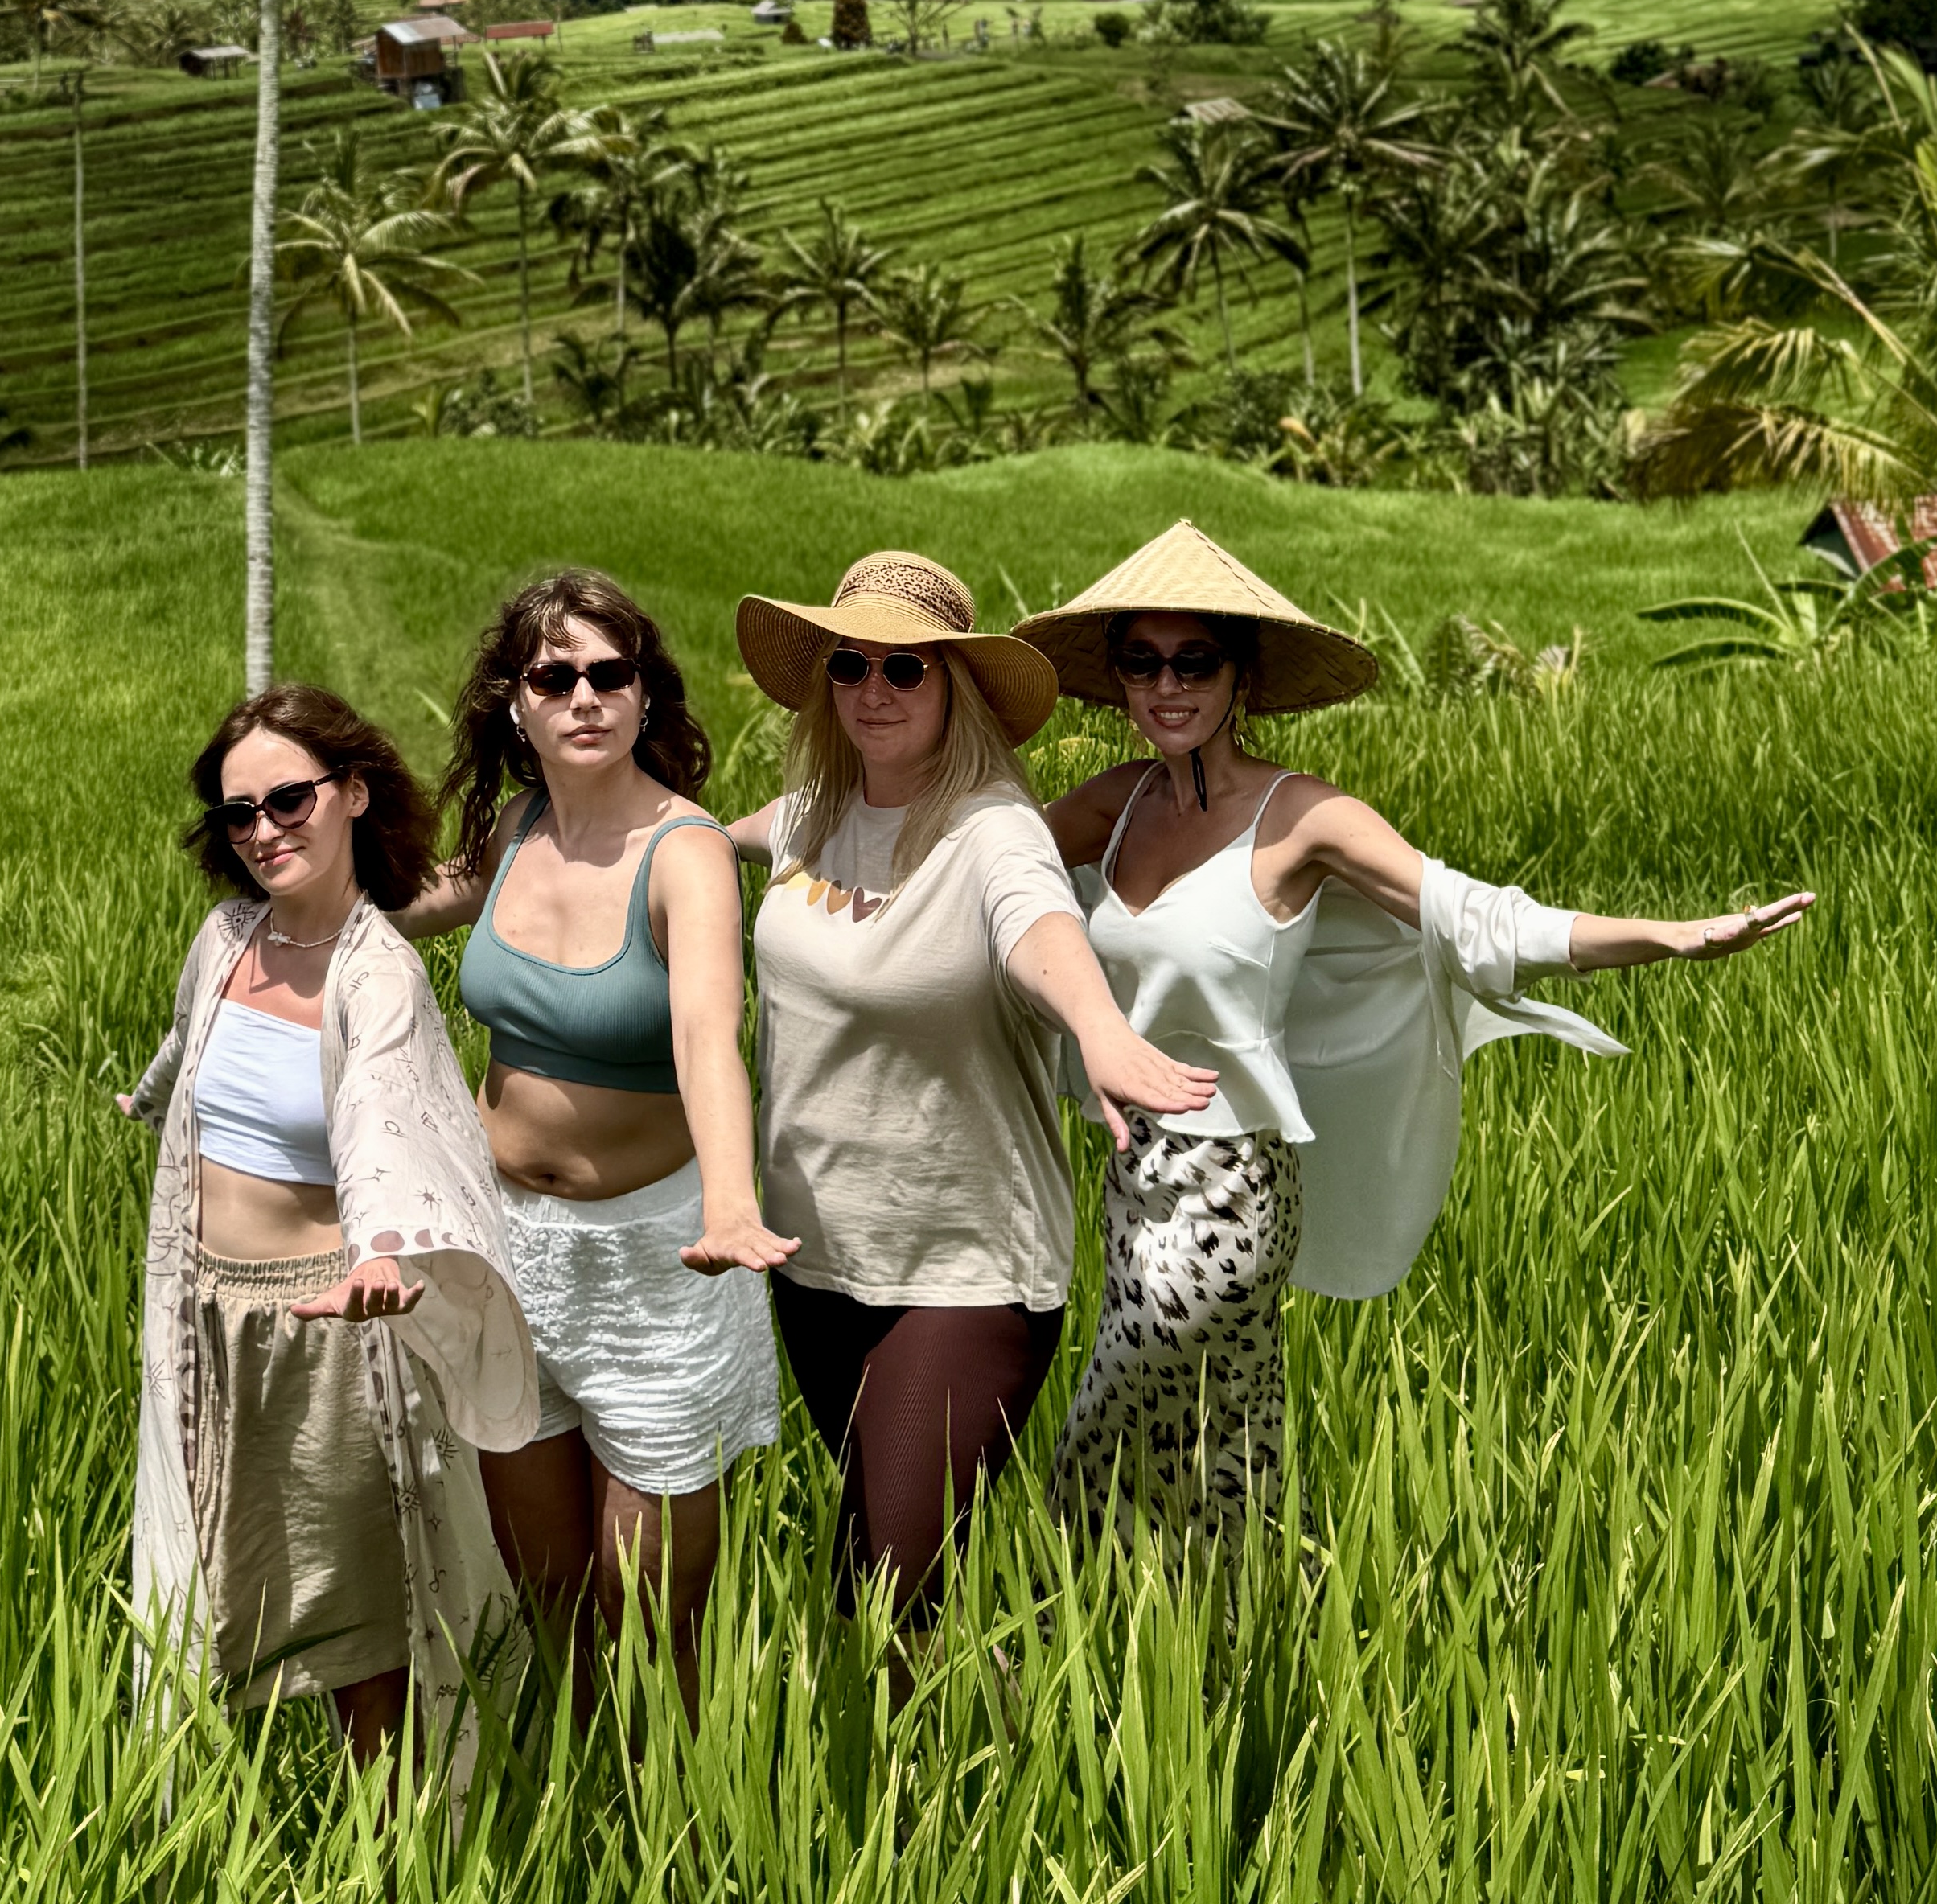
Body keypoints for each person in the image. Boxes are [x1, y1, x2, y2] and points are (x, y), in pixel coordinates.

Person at [1022, 522, 1814, 1541]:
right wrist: (809, 835)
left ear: (1241, 676)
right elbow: (989, 876)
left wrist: (1670, 936)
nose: (1166, 685)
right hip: (1133, 1182)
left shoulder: (1300, 817)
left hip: (1230, 1189)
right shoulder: (1116, 806)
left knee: (1106, 1435)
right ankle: (1238, 1645)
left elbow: (1479, 915)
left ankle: (1062, 1634)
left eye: (1194, 660)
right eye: (1141, 662)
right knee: (1226, 1443)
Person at [723, 548, 1217, 1638]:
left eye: (907, 670)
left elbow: (1040, 930)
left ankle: (900, 1797)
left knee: (886, 1592)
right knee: (884, 1556)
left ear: (957, 685)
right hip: (812, 1256)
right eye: (850, 667)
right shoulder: (811, 812)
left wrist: (1096, 1025)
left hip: (964, 1267)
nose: (873, 693)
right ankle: (972, 1750)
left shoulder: (993, 830)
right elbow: (686, 855)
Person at [119, 683, 538, 1774]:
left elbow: (389, 1124)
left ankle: (402, 1897)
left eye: (288, 801)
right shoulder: (226, 941)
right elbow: (186, 1047)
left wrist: (387, 1250)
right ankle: (236, 1858)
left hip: (327, 1333)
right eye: (238, 814)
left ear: (353, 794)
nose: (264, 831)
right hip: (204, 1322)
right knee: (211, 1587)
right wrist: (147, 1096)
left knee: (360, 1631)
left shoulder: (375, 975)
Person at [401, 569, 788, 1720]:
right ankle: (575, 1836)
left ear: (645, 694)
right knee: (554, 1601)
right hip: (509, 1251)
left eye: (608, 674)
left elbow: (711, 1038)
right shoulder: (516, 830)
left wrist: (730, 1202)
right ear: (514, 703)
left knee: (651, 1617)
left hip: (656, 1263)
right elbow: (415, 903)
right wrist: (290, 895)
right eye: (554, 676)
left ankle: (681, 1854)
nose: (584, 697)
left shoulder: (687, 854)